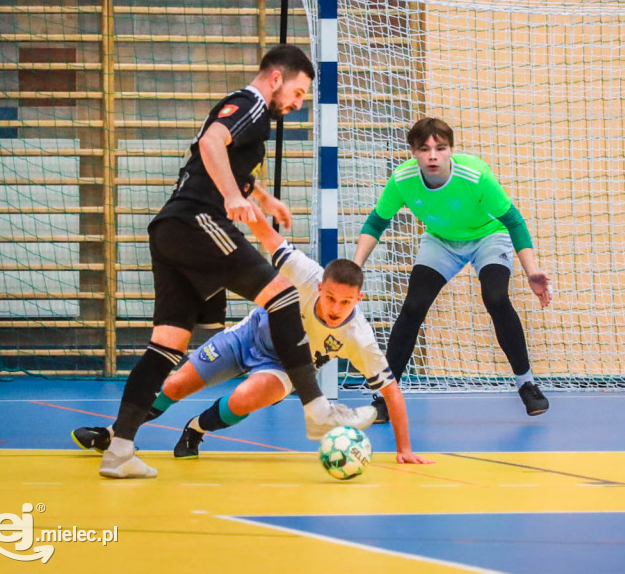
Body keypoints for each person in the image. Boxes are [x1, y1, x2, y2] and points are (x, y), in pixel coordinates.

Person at [97, 44, 373, 479]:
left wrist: (261, 196)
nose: (297, 104)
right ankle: (316, 408)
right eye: (298, 94)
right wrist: (230, 196)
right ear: (277, 78)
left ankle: (119, 451)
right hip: (196, 221)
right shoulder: (252, 104)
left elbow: (221, 159)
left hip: (170, 232)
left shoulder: (246, 118)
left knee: (165, 348)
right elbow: (210, 144)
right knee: (282, 297)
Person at [73, 202, 432, 465]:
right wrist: (248, 202)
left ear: (359, 299)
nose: (336, 307)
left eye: (346, 301)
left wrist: (404, 449)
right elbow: (268, 236)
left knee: (248, 395)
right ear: (320, 287)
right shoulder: (305, 273)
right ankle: (112, 434)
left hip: (285, 368)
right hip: (247, 338)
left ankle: (196, 428)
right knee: (174, 385)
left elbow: (391, 391)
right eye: (331, 297)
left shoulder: (359, 336)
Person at [353, 117, 552, 420]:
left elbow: (513, 220)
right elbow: (376, 222)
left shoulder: (475, 175)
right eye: (424, 149)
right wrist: (355, 268)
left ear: (451, 151)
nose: (432, 155)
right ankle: (385, 397)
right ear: (413, 152)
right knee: (413, 306)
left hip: (487, 234)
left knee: (496, 298)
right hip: (441, 240)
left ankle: (527, 385)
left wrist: (532, 270)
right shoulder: (402, 179)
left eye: (440, 148)